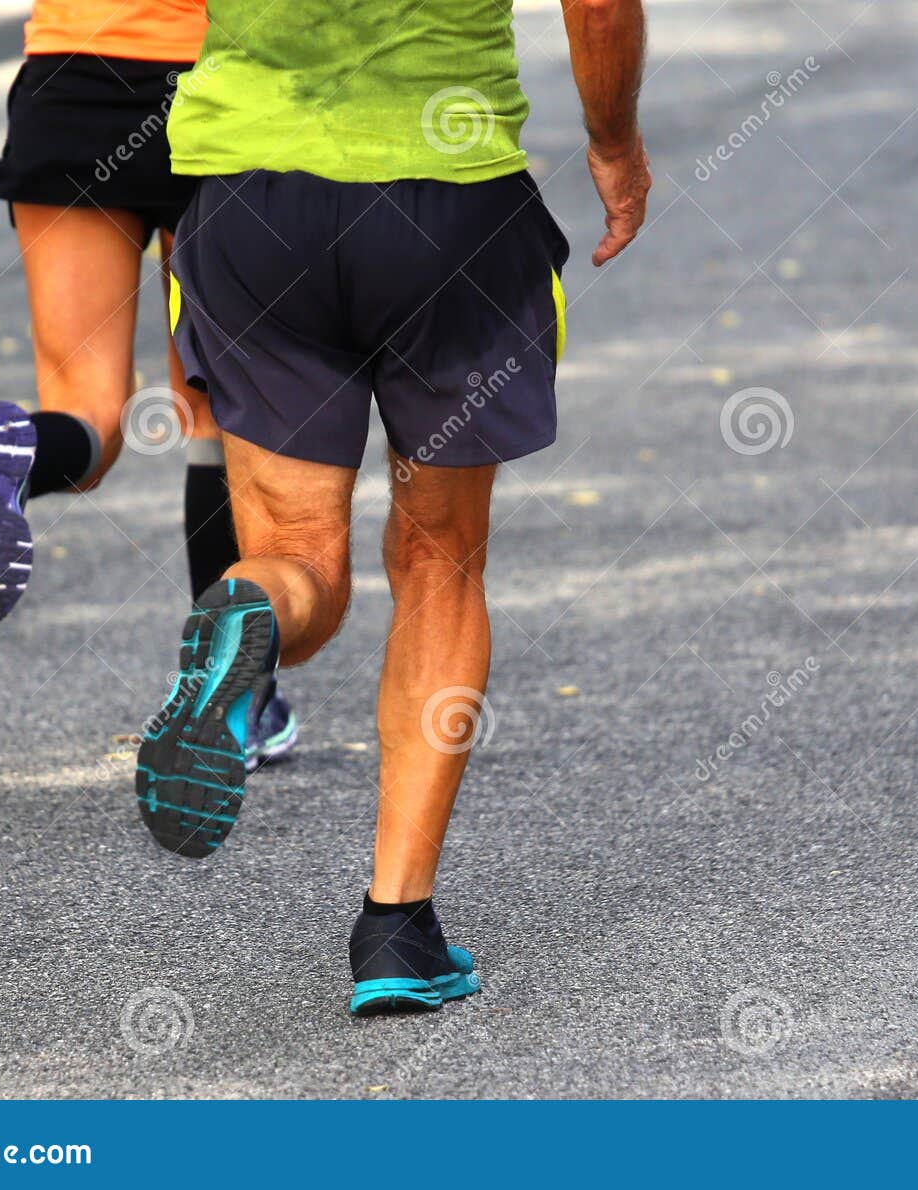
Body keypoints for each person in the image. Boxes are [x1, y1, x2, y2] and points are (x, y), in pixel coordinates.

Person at [137, 0, 651, 1016]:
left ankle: (247, 613)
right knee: (438, 556)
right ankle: (396, 927)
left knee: (293, 557)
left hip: (251, 195)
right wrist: (613, 141)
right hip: (450, 202)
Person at [0, 0, 297, 771]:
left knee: (86, 408)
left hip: (70, 79)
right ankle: (231, 700)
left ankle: (17, 460)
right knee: (220, 418)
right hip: (222, 84)